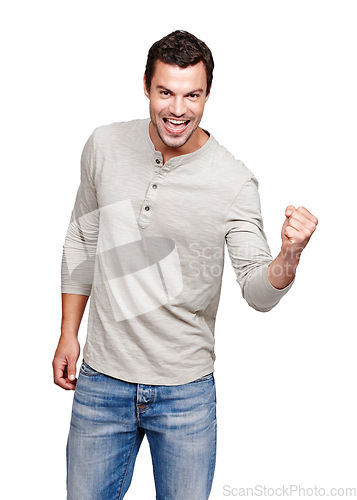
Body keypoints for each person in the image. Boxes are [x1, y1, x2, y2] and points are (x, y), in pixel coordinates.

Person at [53, 30, 318, 500]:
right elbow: (82, 238)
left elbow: (257, 291)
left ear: (207, 94)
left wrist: (289, 255)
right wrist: (68, 333)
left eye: (192, 95)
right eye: (166, 92)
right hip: (101, 381)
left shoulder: (233, 182)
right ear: (146, 87)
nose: (178, 110)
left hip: (185, 394)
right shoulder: (104, 146)